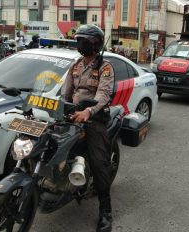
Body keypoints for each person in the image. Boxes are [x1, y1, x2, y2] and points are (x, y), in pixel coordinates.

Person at [61, 24, 115, 232]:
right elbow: (66, 93)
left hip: (95, 118)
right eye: (78, 41)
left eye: (83, 41)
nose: (79, 45)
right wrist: (60, 108)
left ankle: (105, 211)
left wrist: (88, 112)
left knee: (99, 162)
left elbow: (103, 95)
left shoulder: (105, 66)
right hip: (74, 113)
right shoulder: (75, 65)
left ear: (95, 44)